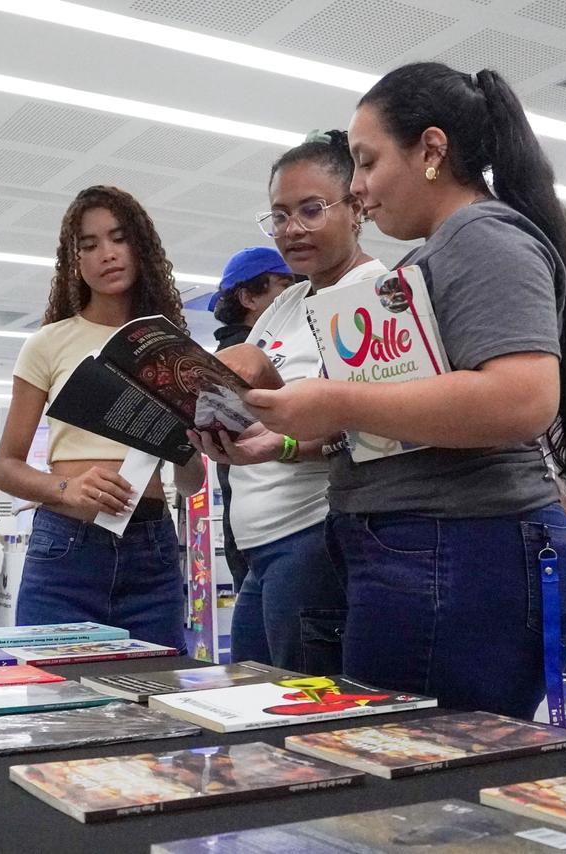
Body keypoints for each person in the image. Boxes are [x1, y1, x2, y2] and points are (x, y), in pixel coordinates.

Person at [245, 64, 566, 717]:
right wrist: (283, 434)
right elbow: (414, 418)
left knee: (429, 779)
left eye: (367, 162)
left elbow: (520, 399)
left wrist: (337, 401)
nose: (357, 188)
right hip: (433, 550)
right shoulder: (440, 254)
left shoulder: (482, 238)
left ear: (433, 151)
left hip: (456, 551)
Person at [191, 131, 385, 673]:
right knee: (256, 707)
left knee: (303, 724)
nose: (291, 229)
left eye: (311, 210)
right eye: (278, 215)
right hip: (259, 548)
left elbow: (375, 432)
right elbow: (254, 399)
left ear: (356, 209)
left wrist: (283, 442)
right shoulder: (288, 301)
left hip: (314, 538)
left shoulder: (378, 295)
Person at [0, 185, 204, 651]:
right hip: (66, 546)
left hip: (151, 547)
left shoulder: (171, 348)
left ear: (140, 247)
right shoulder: (48, 343)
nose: (106, 254)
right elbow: (6, 467)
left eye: (118, 238)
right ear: (75, 261)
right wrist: (65, 487)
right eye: (89, 245)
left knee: (155, 703)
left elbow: (189, 483)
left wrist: (190, 444)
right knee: (53, 702)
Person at [208, 247, 295, 594]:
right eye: (284, 283)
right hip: (280, 524)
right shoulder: (243, 359)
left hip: (244, 526)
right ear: (248, 297)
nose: (295, 293)